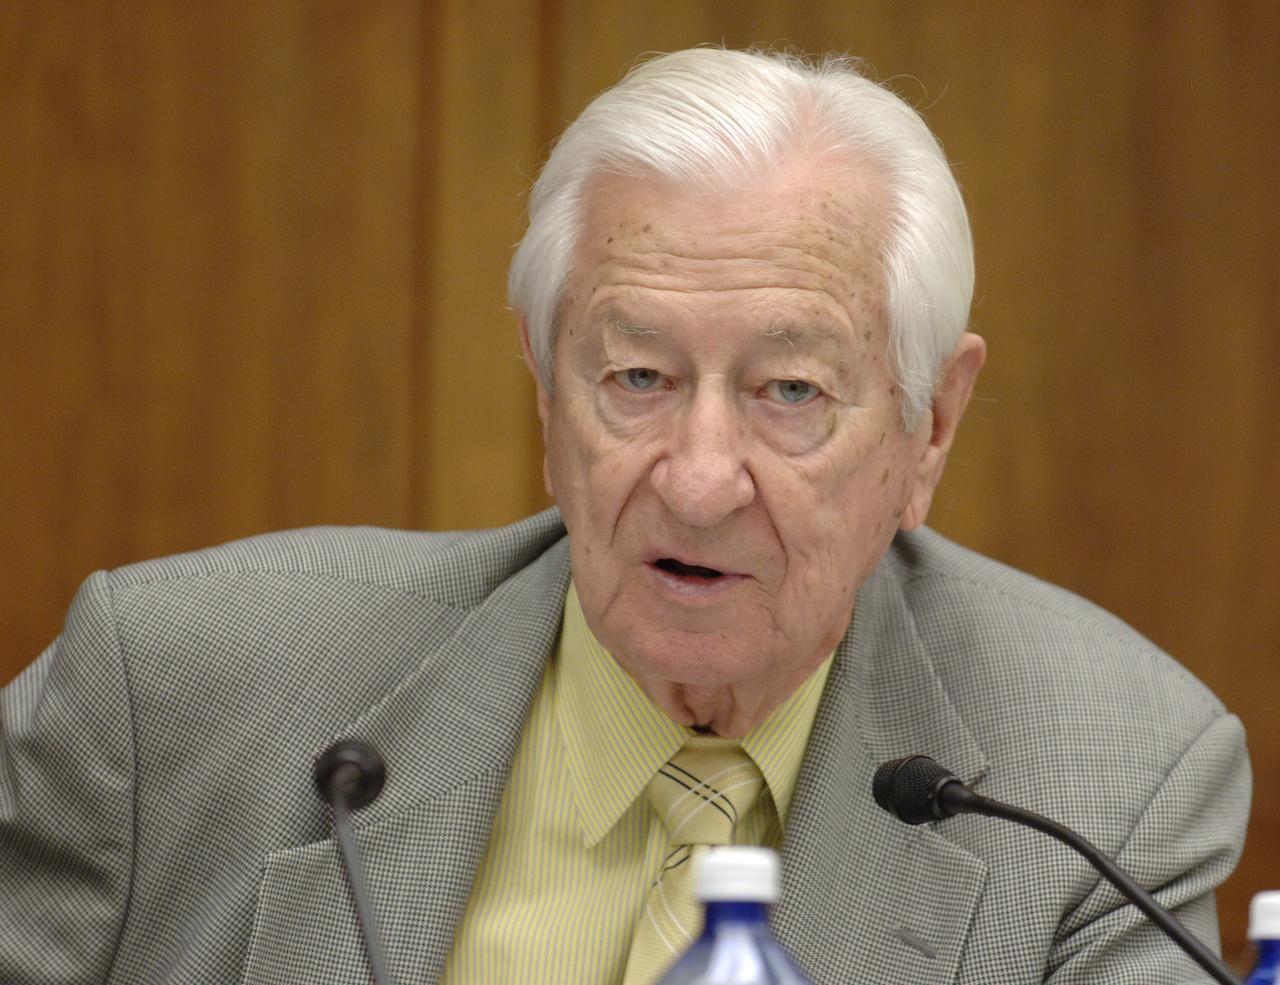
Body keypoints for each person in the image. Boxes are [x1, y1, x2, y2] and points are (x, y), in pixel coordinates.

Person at [0, 47, 1249, 985]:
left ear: (928, 426)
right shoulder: (171, 692)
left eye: (789, 392)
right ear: (548, 398)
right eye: (636, 377)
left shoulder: (1102, 788)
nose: (698, 478)